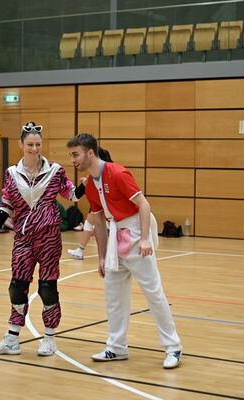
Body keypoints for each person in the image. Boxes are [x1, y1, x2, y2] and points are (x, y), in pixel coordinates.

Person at [66, 133, 182, 369]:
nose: (73, 160)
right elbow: (98, 221)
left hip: (136, 234)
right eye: (71, 155)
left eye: (75, 155)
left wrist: (145, 239)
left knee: (153, 293)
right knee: (114, 295)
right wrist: (101, 256)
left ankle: (173, 347)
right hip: (114, 238)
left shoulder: (117, 173)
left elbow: (144, 204)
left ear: (90, 153)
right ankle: (117, 347)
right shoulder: (90, 185)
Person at [0, 121, 77, 357]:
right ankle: (12, 339)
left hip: (49, 237)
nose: (34, 149)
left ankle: (49, 338)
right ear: (21, 145)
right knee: (17, 287)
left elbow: (72, 194)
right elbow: (6, 206)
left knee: (47, 288)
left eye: (37, 144)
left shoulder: (55, 171)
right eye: (30, 145)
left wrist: (90, 183)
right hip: (23, 239)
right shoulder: (11, 174)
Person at [67, 147, 114, 260]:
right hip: (100, 207)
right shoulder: (93, 177)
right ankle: (81, 250)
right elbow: (75, 196)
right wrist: (85, 184)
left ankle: (82, 250)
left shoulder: (113, 174)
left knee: (100, 226)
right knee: (90, 223)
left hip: (114, 211)